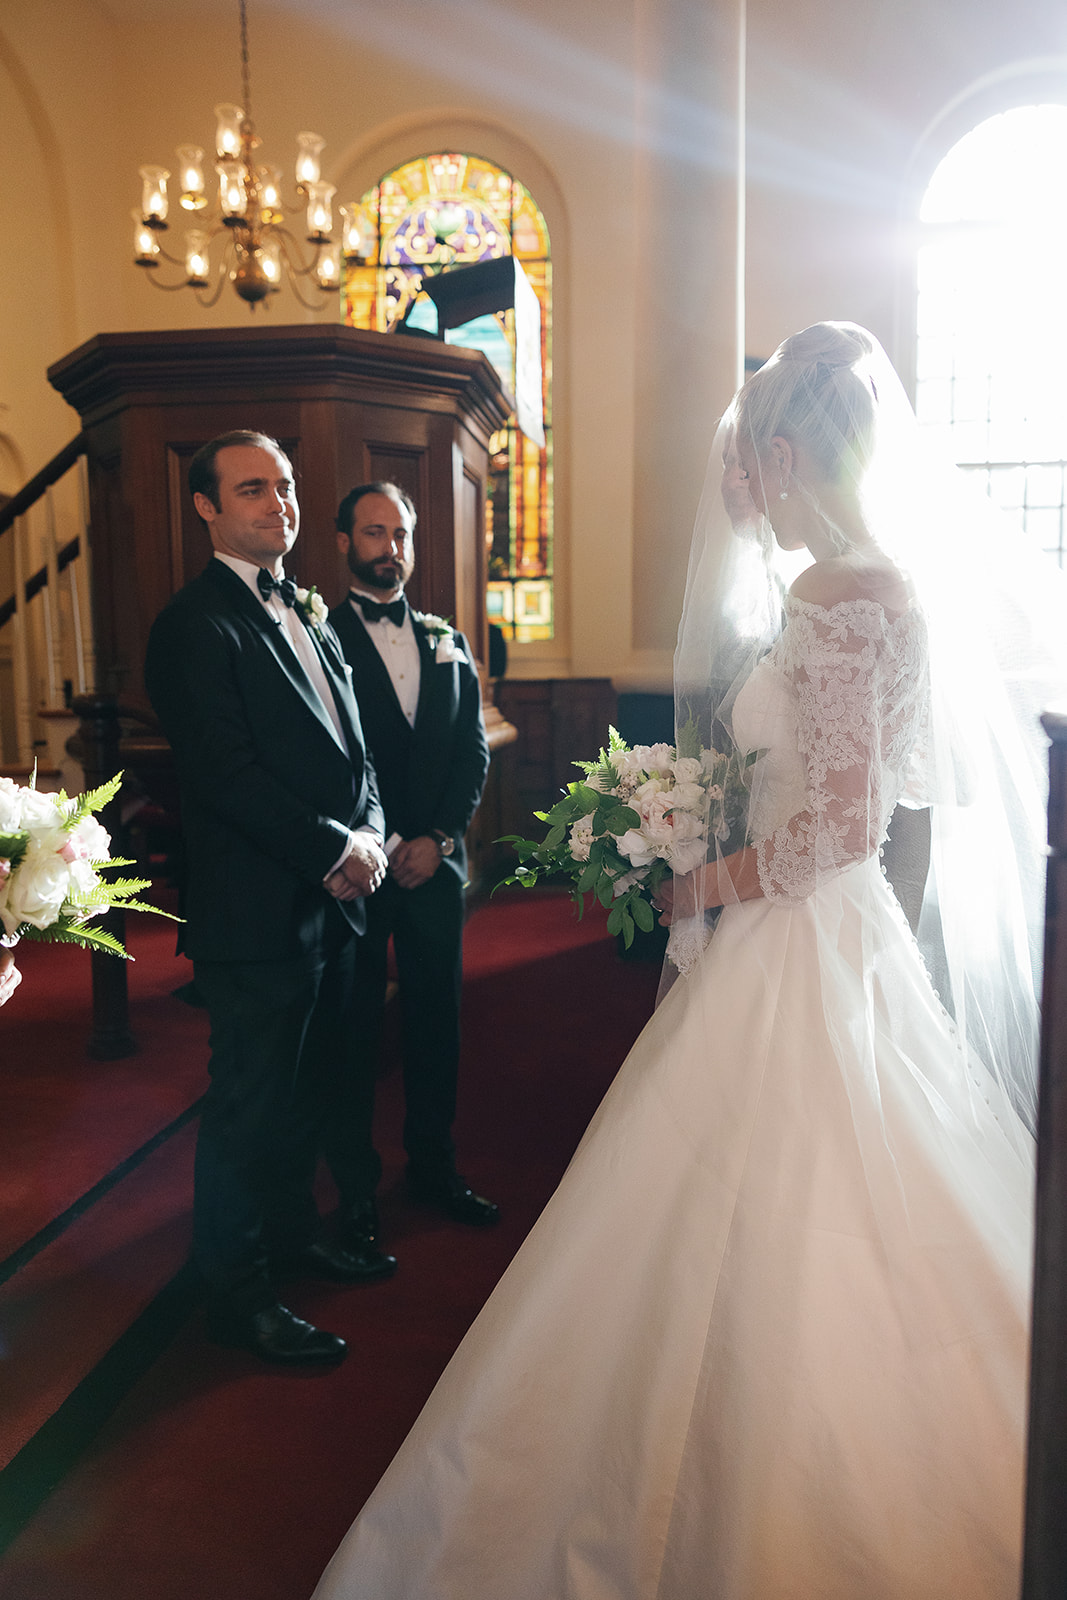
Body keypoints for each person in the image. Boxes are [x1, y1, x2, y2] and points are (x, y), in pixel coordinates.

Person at [311, 325, 1055, 1595]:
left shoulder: (840, 590)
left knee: (771, 1198)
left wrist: (692, 880)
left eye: (743, 462)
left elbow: (833, 826)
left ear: (780, 451)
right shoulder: (864, 580)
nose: (736, 491)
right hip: (825, 931)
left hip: (801, 935)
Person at [145, 431, 392, 1367]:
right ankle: (237, 1297)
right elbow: (226, 775)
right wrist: (335, 849)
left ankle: (292, 1243)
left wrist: (366, 832)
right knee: (248, 1108)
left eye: (285, 487)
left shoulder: (310, 609)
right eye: (252, 489)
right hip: (255, 914)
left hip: (331, 903)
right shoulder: (193, 625)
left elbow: (354, 745)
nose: (277, 504)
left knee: (308, 1096)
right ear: (206, 507)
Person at [325, 481, 497, 1260]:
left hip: (432, 864)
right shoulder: (320, 634)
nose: (389, 547)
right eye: (373, 532)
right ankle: (355, 1193)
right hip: (356, 871)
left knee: (437, 1023)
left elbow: (471, 749)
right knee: (353, 1031)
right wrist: (371, 841)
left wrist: (440, 836)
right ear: (343, 543)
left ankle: (434, 1166)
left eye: (400, 533)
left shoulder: (446, 635)